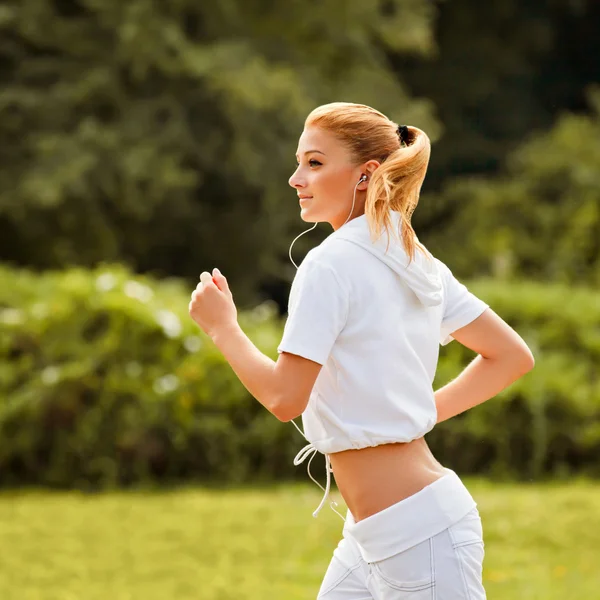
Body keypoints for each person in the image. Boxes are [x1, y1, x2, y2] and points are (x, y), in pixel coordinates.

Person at [188, 102, 535, 599]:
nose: (295, 178)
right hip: (374, 534)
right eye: (299, 162)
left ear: (365, 174)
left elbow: (286, 399)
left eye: (314, 162)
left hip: (419, 536)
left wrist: (224, 329)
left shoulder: (329, 265)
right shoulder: (413, 255)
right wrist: (413, 416)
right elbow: (510, 356)